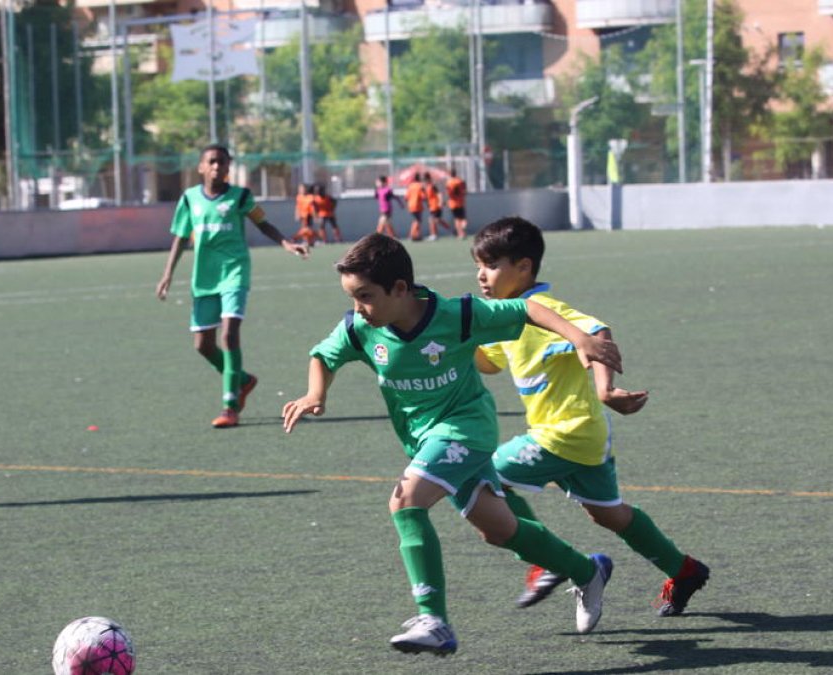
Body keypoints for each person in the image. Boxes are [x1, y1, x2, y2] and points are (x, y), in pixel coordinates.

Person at [282, 233, 623, 656]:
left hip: (466, 429)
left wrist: (579, 338)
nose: (358, 308)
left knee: (406, 501)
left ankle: (434, 620)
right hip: (423, 439)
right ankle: (586, 570)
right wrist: (316, 394)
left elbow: (527, 309)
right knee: (500, 530)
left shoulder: (458, 315)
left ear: (400, 289)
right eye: (352, 298)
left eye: (365, 296)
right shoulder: (360, 328)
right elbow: (323, 355)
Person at [470, 216, 709, 616]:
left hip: (564, 432)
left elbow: (597, 332)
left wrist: (605, 389)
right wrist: (459, 339)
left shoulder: (544, 309)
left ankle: (544, 560)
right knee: (609, 514)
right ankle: (683, 569)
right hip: (586, 436)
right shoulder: (505, 316)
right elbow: (490, 363)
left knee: (485, 477)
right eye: (478, 266)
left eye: (491, 266)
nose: (481, 275)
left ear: (524, 267)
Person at [156, 144, 310, 429]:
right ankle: (243, 380)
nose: (217, 166)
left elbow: (263, 223)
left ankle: (230, 406)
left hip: (234, 273)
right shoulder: (189, 199)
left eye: (223, 162)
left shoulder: (240, 196)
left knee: (229, 335)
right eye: (212, 161)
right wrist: (168, 274)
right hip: (204, 278)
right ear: (201, 167)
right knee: (203, 345)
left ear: (229, 167)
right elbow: (180, 237)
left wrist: (286, 243)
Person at [293, 183, 318, 247]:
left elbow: (313, 207)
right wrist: (297, 214)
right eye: (300, 189)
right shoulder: (299, 197)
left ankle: (296, 238)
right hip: (302, 215)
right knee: (305, 229)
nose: (301, 190)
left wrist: (315, 216)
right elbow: (297, 206)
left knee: (307, 230)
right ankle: (306, 241)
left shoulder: (310, 197)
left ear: (306, 189)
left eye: (302, 189)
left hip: (309, 215)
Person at [445, 169, 468, 238]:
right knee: (463, 218)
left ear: (450, 174)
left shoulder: (449, 182)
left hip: (453, 203)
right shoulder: (460, 181)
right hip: (460, 202)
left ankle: (460, 233)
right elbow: (465, 191)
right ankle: (463, 228)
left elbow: (448, 193)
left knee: (457, 219)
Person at [404, 173, 425, 241]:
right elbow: (423, 196)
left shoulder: (410, 186)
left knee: (416, 220)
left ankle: (417, 235)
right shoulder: (420, 185)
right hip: (417, 205)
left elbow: (406, 197)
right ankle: (412, 235)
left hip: (411, 205)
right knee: (417, 220)